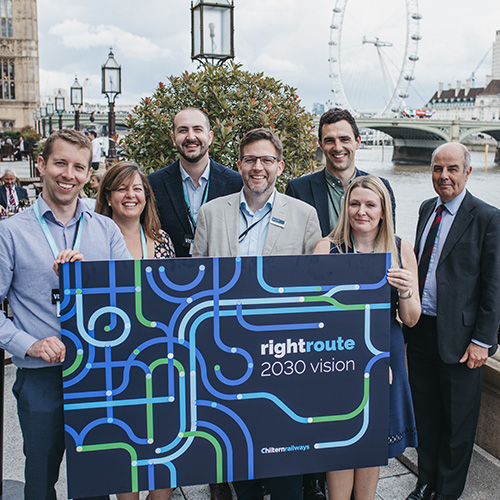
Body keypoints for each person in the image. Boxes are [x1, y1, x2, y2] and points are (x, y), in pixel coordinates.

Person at [0, 129, 130, 500]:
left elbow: (127, 298)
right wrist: (29, 344)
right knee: (40, 479)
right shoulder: (10, 233)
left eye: (78, 167)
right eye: (60, 163)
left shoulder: (105, 231)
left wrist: (88, 279)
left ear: (89, 174)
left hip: (98, 374)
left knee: (95, 480)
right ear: (41, 165)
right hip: (42, 378)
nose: (68, 174)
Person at [193, 128, 322, 500]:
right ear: (239, 165)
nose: (258, 167)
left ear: (280, 166)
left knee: (284, 456)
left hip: (281, 353)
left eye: (267, 159)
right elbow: (197, 279)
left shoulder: (304, 215)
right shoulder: (211, 213)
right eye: (250, 159)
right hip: (226, 350)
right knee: (239, 448)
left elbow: (314, 291)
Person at [314, 175, 420, 500]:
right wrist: (363, 358)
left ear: (383, 211)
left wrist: (406, 290)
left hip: (386, 352)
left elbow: (412, 319)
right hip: (339, 354)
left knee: (373, 444)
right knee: (342, 441)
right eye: (355, 203)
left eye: (370, 204)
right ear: (346, 208)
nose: (362, 211)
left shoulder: (401, 248)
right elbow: (316, 317)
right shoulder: (326, 248)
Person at [405, 143, 500, 500]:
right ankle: (425, 482)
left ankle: (445, 493)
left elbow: (494, 287)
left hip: (462, 341)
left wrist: (483, 341)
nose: (444, 176)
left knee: (458, 425)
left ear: (468, 172)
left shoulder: (488, 217)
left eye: (452, 169)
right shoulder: (426, 208)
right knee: (426, 417)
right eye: (437, 169)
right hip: (421, 330)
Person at [96, 161, 175, 499]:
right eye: (122, 189)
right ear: (109, 197)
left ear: (147, 197)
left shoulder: (161, 240)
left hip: (160, 361)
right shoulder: (93, 240)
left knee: (163, 449)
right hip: (113, 362)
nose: (131, 195)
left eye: (137, 189)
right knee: (123, 448)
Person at [286, 107, 395, 238]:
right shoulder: (298, 190)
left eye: (344, 139)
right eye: (329, 140)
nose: (337, 147)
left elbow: (388, 240)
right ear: (320, 144)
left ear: (357, 142)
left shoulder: (381, 187)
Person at [149, 107, 243, 258]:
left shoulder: (236, 184)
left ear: (210, 136)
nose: (191, 136)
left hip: (222, 275)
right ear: (173, 138)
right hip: (171, 276)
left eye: (198, 129)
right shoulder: (153, 184)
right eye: (183, 130)